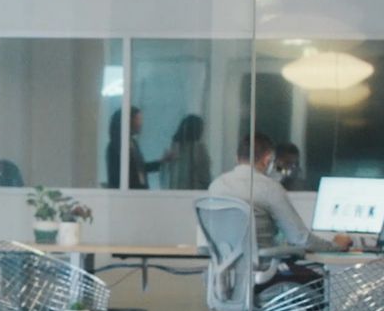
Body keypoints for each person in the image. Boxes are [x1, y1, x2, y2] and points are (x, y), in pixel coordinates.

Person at [207, 131, 350, 252]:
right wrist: (335, 246)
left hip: (220, 275)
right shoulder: (270, 188)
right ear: (268, 159)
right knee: (315, 279)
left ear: (237, 158)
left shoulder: (216, 186)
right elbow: (300, 239)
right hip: (262, 272)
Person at [106, 107, 174, 189]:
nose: (141, 123)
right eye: (138, 119)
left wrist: (162, 162)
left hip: (140, 193)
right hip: (128, 196)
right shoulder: (114, 147)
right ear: (128, 121)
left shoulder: (133, 143)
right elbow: (117, 177)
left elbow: (141, 168)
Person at [164, 114, 212, 190]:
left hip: (174, 193)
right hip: (194, 193)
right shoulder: (199, 150)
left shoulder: (174, 148)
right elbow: (205, 177)